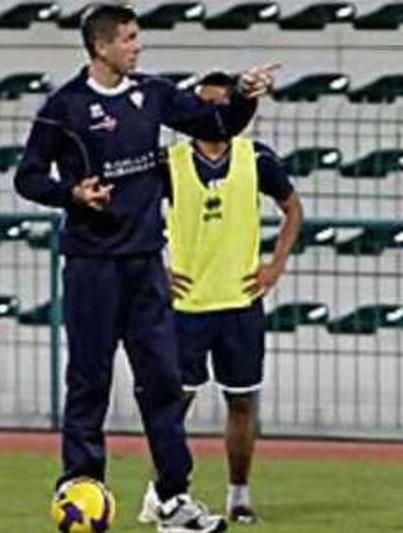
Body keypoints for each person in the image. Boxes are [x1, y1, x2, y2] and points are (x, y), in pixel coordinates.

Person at [13, 5, 278, 532]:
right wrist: (71, 194)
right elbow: (27, 177)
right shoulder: (64, 107)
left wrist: (246, 94)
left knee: (162, 381)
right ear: (101, 46)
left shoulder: (152, 94)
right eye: (130, 38)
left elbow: (217, 121)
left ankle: (173, 498)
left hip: (144, 267)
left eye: (138, 37)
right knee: (89, 379)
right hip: (92, 266)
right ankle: (81, 484)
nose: (138, 46)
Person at [137, 71, 303, 526]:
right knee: (174, 406)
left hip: (240, 303)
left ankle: (239, 494)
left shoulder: (257, 158)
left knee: (242, 402)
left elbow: (293, 209)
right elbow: (136, 214)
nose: (207, 115)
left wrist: (275, 265)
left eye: (217, 104)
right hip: (187, 306)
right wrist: (157, 268)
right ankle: (163, 493)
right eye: (200, 104)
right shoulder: (168, 162)